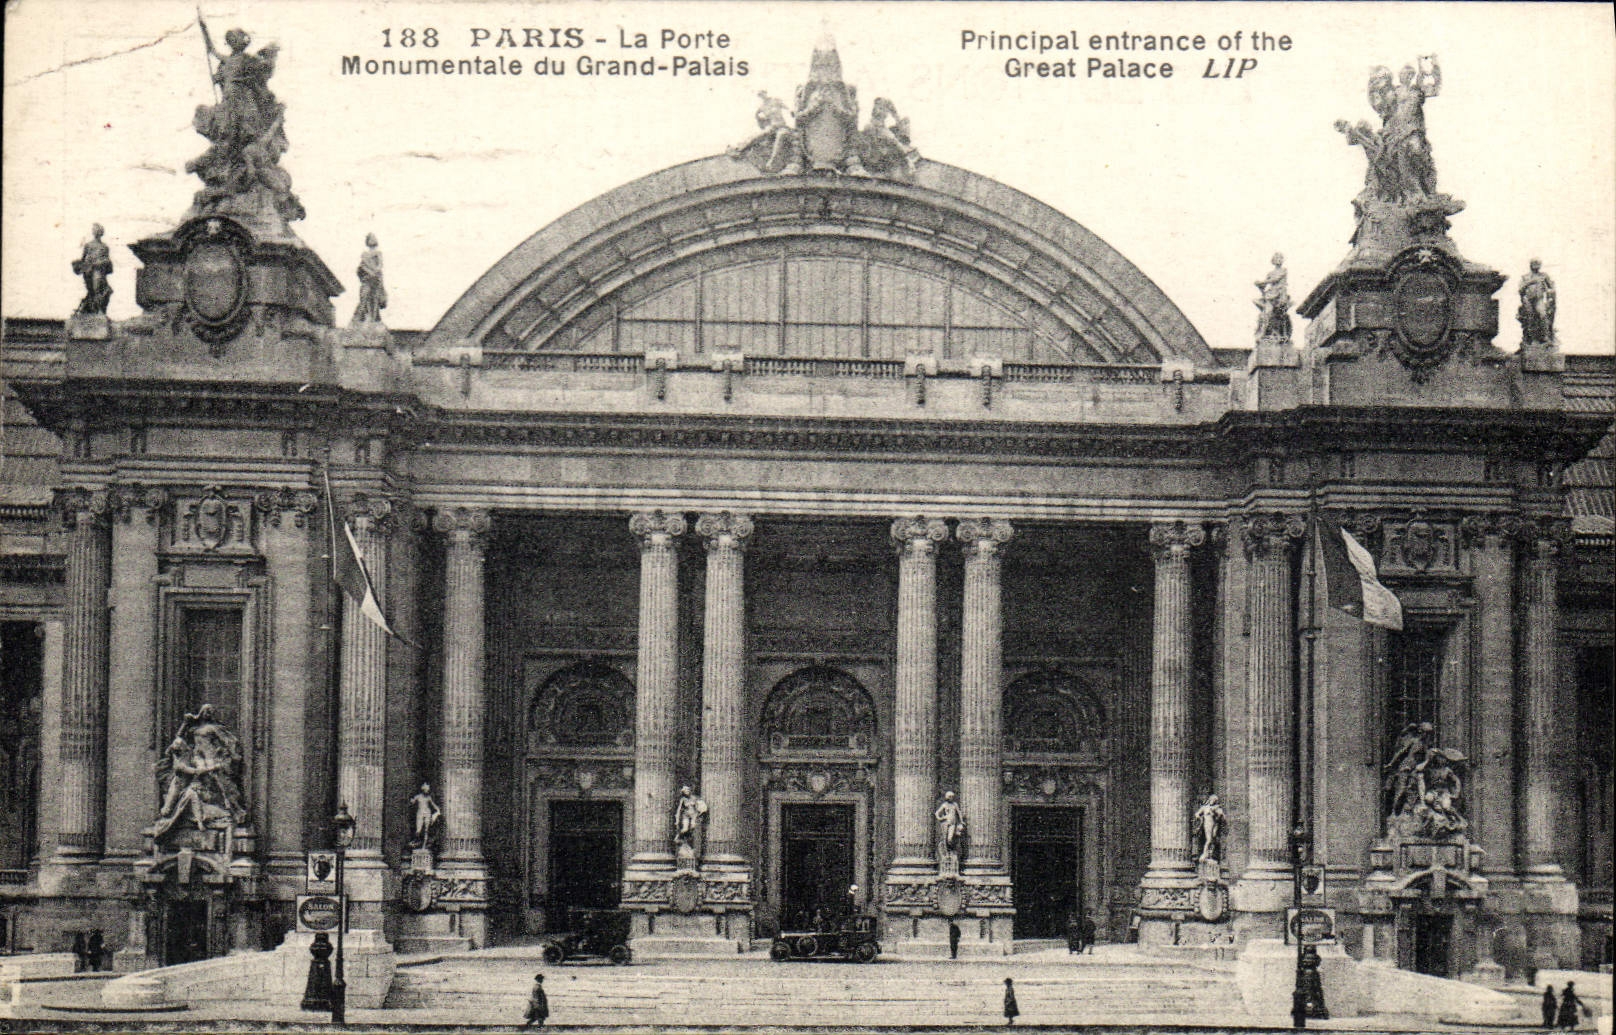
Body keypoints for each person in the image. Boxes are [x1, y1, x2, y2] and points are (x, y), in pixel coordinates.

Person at [71, 224, 113, 316]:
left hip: (100, 271)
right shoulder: (88, 245)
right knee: (94, 290)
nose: (97, 233)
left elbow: (108, 261)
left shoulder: (105, 247)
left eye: (98, 231)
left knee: (102, 290)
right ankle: (95, 309)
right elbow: (83, 259)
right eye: (95, 231)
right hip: (90, 271)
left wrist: (103, 262)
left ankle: (98, 310)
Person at [353, 234, 387, 326]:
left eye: (373, 239)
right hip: (367, 279)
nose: (372, 241)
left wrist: (375, 272)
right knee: (364, 297)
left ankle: (373, 318)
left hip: (376, 279)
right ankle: (362, 317)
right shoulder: (364, 254)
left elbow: (380, 265)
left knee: (375, 298)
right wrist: (370, 272)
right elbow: (362, 266)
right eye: (370, 239)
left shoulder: (378, 253)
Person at [409, 783, 441, 848]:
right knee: (418, 830)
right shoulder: (418, 796)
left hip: (427, 813)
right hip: (420, 813)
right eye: (426, 789)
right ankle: (417, 841)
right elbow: (412, 802)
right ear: (423, 789)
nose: (427, 791)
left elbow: (433, 804)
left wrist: (438, 809)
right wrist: (411, 801)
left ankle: (424, 846)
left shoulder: (428, 797)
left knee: (426, 830)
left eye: (428, 790)